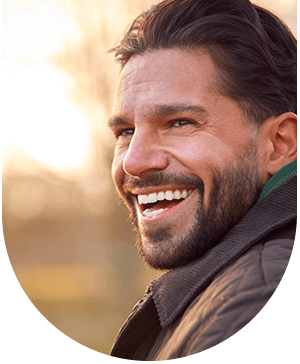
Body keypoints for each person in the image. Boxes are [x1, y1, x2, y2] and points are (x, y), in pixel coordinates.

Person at [107, 0, 297, 360]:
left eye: (179, 122)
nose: (134, 162)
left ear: (279, 144)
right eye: (126, 131)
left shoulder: (254, 295)